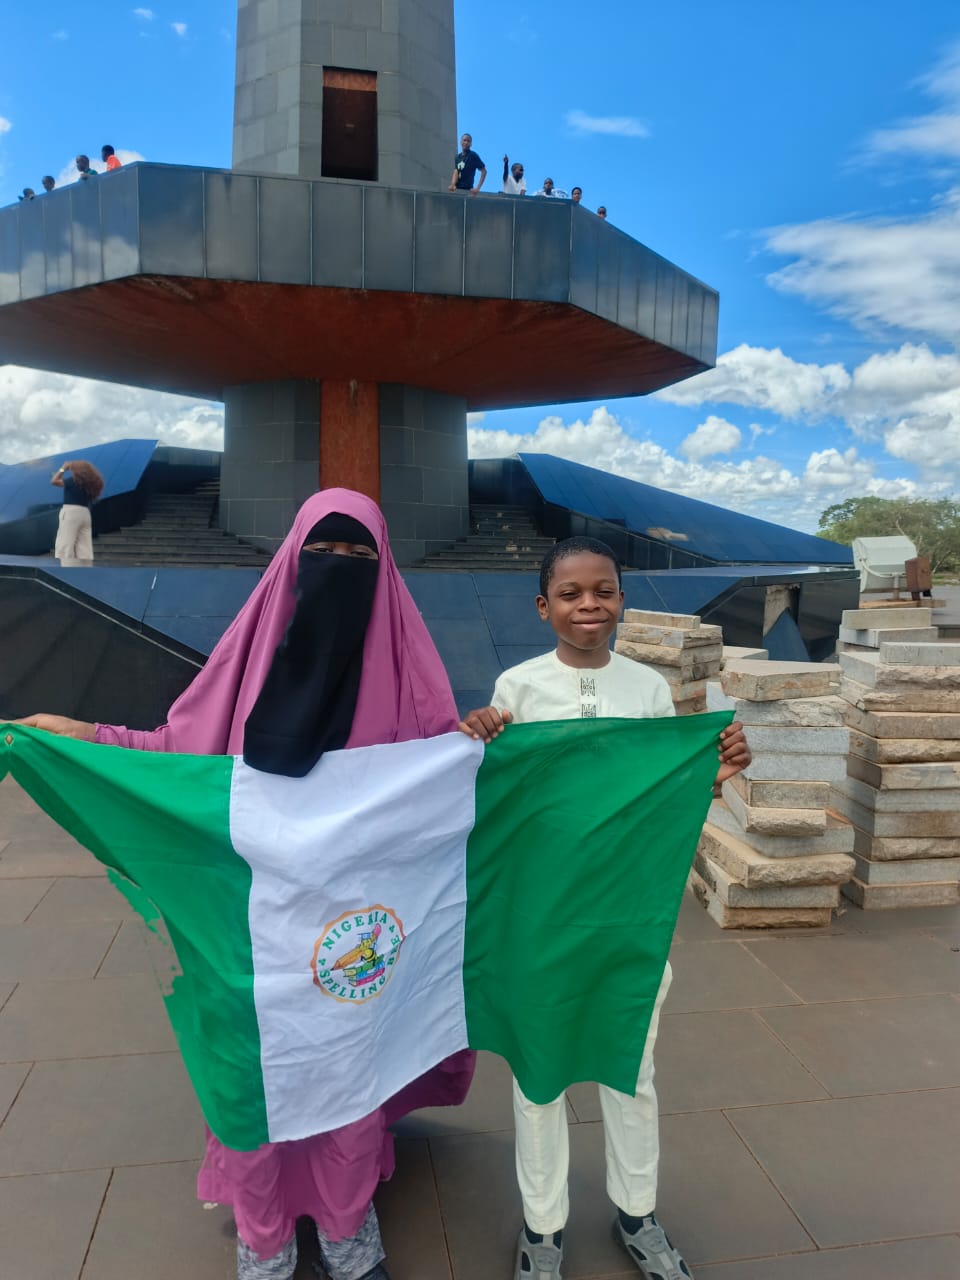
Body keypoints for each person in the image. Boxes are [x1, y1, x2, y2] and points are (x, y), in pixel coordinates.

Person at [18, 488, 476, 1280]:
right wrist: (88, 734)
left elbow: (450, 786)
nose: (340, 569)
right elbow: (180, 753)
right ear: (291, 561)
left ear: (385, 569)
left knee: (350, 1075)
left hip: (357, 928)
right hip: (245, 921)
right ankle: (263, 1239)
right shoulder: (246, 661)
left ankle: (346, 1228)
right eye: (323, 553)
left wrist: (484, 744)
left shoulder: (409, 674)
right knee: (246, 1080)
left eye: (360, 556)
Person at [459, 536, 750, 1280]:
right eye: (571, 593)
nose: (589, 605)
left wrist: (710, 771)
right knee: (539, 1077)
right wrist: (478, 738)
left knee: (630, 1068)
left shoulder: (646, 690)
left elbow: (651, 798)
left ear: (621, 598)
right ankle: (542, 1228)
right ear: (543, 606)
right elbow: (498, 795)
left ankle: (638, 1214)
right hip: (540, 919)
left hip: (624, 919)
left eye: (604, 590)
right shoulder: (518, 687)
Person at [51, 459, 104, 563]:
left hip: (71, 512)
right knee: (84, 545)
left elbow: (54, 481)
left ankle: (66, 567)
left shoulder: (72, 481)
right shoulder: (90, 484)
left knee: (66, 543)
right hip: (85, 513)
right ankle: (85, 567)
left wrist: (63, 468)